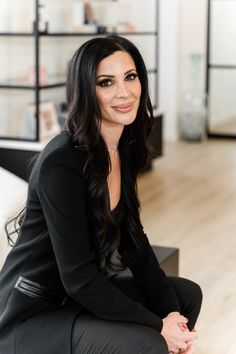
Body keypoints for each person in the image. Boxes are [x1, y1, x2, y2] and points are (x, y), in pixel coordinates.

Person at [0, 35, 202, 354]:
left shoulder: (122, 148)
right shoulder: (61, 162)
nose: (124, 92)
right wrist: (156, 325)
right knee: (148, 340)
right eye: (106, 82)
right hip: (35, 312)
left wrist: (170, 315)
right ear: (86, 90)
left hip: (78, 297)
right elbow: (78, 277)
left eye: (130, 77)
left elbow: (133, 240)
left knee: (186, 296)